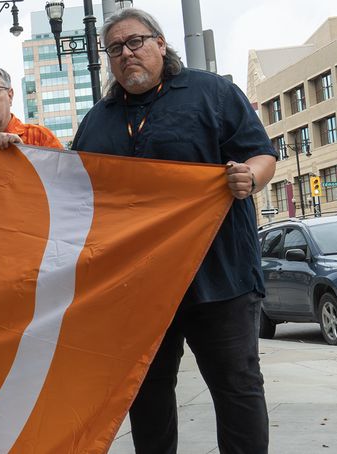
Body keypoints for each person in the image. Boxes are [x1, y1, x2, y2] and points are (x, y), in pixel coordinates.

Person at [71, 8, 276, 454]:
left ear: (161, 44)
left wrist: (250, 177)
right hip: (137, 290)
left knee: (236, 387)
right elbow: (67, 190)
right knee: (146, 396)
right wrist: (5, 151)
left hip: (219, 279)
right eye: (114, 49)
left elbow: (262, 155)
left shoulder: (214, 93)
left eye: (135, 42)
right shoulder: (97, 121)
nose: (126, 54)